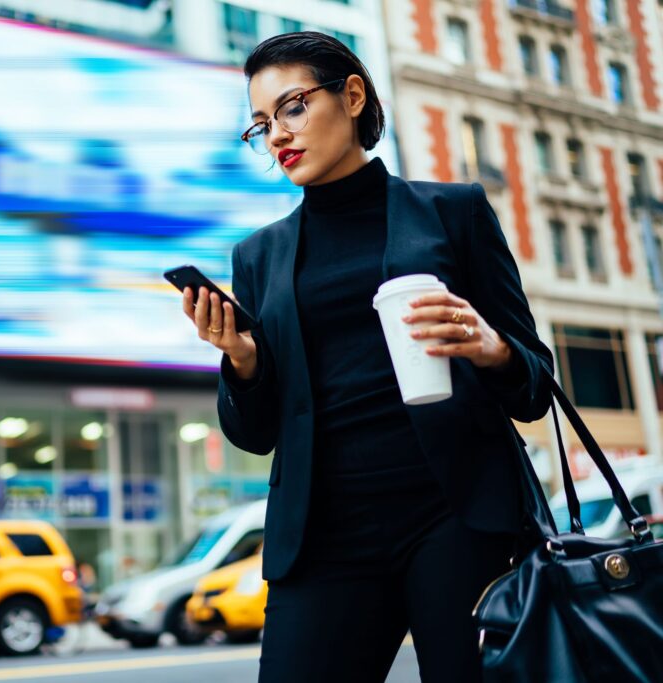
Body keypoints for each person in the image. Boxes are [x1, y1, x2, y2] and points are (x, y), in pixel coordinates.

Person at [180, 32, 553, 682]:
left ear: (352, 95)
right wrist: (242, 361)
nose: (277, 137)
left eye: (293, 107)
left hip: (456, 515)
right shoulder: (257, 258)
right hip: (324, 531)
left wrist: (490, 347)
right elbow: (256, 432)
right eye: (262, 124)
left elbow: (534, 387)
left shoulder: (453, 212)